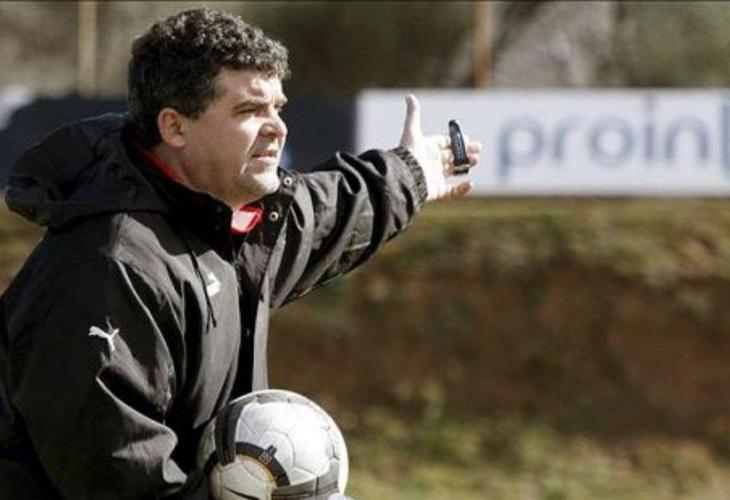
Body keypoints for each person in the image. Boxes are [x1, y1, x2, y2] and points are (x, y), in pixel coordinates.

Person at [0, 7, 481, 499]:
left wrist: (413, 173)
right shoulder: (108, 271)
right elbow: (121, 483)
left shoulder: (229, 221)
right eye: (250, 111)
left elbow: (327, 214)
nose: (277, 128)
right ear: (175, 127)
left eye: (278, 108)